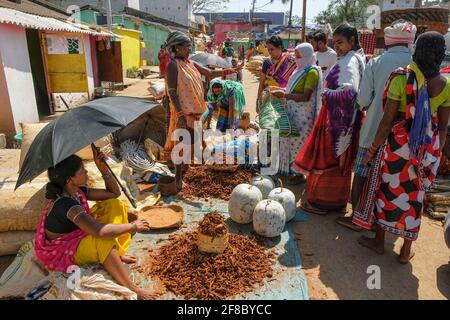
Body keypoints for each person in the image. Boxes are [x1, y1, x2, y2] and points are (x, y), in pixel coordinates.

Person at [352, 32, 450, 264]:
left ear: (417, 49)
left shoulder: (401, 78)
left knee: (387, 191)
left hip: (397, 147)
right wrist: (433, 156)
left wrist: (372, 149)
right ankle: (405, 251)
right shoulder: (447, 85)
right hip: (426, 149)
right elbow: (443, 127)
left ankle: (378, 242)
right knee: (415, 197)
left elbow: (387, 122)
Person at [34, 148, 159, 300]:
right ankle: (133, 288)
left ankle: (116, 253)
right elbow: (100, 232)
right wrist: (133, 226)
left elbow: (114, 193)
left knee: (114, 205)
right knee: (103, 240)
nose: (86, 172)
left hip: (78, 233)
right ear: (69, 179)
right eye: (82, 171)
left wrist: (102, 167)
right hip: (64, 249)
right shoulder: (67, 205)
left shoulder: (77, 191)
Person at [337, 20, 417, 231]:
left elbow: (363, 100)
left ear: (388, 41)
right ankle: (385, 225)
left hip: (373, 130)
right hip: (405, 137)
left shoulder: (376, 62)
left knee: (362, 174)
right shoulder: (418, 64)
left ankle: (356, 217)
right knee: (391, 180)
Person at [293, 23, 365, 215]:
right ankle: (337, 202)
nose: (338, 46)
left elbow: (350, 92)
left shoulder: (349, 62)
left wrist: (327, 93)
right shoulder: (356, 58)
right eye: (337, 42)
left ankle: (319, 203)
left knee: (324, 159)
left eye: (341, 42)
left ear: (352, 40)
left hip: (336, 123)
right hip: (343, 121)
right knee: (337, 163)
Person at [163, 31, 236, 190]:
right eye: (186, 46)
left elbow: (209, 73)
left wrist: (228, 71)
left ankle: (185, 174)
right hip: (183, 112)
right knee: (181, 146)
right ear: (176, 47)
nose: (189, 49)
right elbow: (172, 92)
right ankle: (177, 180)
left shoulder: (190, 63)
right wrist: (181, 114)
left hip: (195, 112)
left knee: (190, 145)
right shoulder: (172, 66)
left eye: (190, 46)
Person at [270, 43, 323, 184]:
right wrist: (281, 90)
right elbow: (292, 88)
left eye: (299, 56)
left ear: (307, 56)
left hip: (303, 116)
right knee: (288, 139)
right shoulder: (299, 70)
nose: (296, 58)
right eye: (296, 55)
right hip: (293, 111)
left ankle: (298, 173)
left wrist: (284, 95)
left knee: (299, 142)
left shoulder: (311, 72)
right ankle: (288, 170)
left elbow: (306, 96)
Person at [256, 35, 296, 110]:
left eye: (272, 49)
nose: (270, 52)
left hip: (284, 97)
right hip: (268, 96)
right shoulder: (267, 62)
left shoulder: (290, 61)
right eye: (268, 50)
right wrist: (258, 99)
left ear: (280, 47)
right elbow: (262, 81)